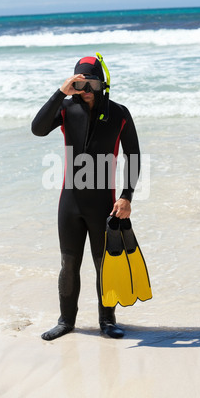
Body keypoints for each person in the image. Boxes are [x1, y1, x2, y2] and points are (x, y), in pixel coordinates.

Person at [31, 55, 140, 340]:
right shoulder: (66, 108)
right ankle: (66, 321)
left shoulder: (120, 113)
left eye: (92, 82)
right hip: (70, 202)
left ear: (103, 83)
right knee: (69, 263)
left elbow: (134, 156)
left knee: (105, 264)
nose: (87, 89)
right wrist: (60, 93)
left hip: (104, 203)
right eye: (81, 83)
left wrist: (127, 196)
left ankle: (108, 321)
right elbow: (37, 129)